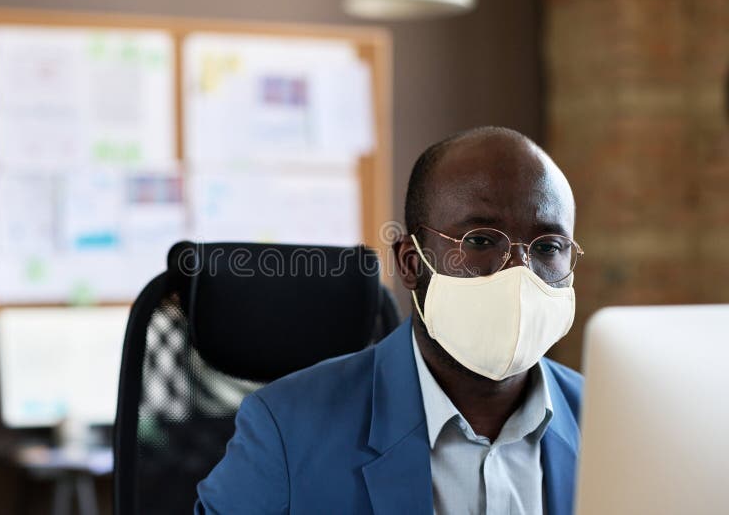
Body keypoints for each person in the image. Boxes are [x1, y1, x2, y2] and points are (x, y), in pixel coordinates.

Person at [195, 127, 584, 515]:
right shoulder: (286, 431)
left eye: (549, 246)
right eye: (480, 241)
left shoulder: (615, 423)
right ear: (411, 263)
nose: (519, 272)